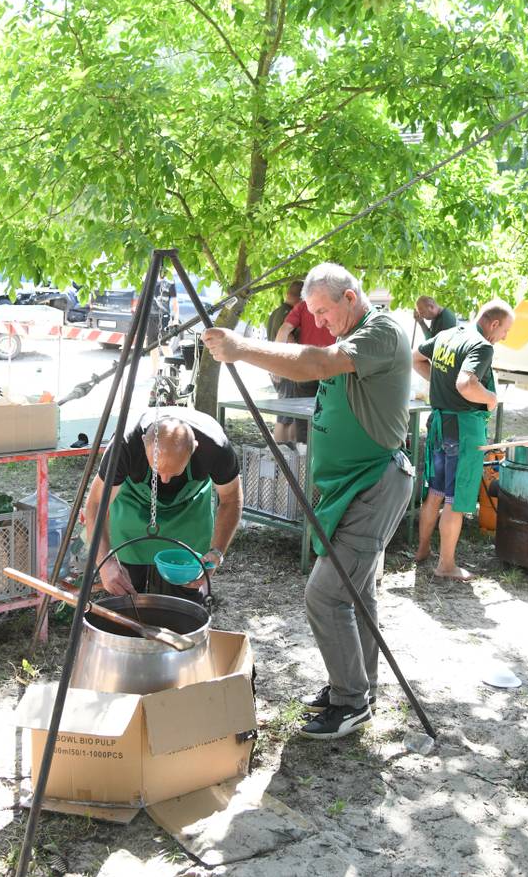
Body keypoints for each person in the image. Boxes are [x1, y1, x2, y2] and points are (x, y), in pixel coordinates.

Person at [203, 263, 414, 740]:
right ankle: (359, 688)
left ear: (350, 299)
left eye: (324, 311)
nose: (319, 321)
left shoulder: (380, 331)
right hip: (348, 488)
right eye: (312, 312)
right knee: (356, 592)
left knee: (326, 593)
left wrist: (242, 349)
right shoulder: (352, 330)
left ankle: (350, 701)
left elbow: (316, 364)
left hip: (374, 484)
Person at [84, 408, 243, 604]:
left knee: (186, 593)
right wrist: (105, 563)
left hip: (188, 511)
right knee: (126, 590)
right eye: (157, 471)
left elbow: (231, 500)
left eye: (174, 473)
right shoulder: (124, 447)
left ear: (194, 448)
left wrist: (217, 552)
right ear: (144, 443)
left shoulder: (216, 448)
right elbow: (96, 503)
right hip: (133, 506)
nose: (165, 481)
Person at [413, 300, 514, 580]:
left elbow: (416, 358)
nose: (505, 336)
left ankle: (422, 551)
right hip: (463, 431)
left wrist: (438, 383)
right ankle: (446, 565)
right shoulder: (482, 346)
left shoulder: (447, 334)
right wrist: (491, 398)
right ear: (493, 324)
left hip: (439, 427)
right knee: (455, 501)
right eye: (505, 329)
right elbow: (466, 383)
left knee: (434, 492)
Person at [275, 295, 335, 442]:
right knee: (330, 416)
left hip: (307, 369)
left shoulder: (303, 306)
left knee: (304, 420)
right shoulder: (336, 304)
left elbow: (284, 331)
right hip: (333, 369)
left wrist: (277, 365)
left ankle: (304, 455)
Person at [266, 280, 303, 444]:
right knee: (286, 415)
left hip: (276, 367)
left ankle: (287, 451)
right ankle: (283, 452)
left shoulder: (276, 312)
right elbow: (287, 339)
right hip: (285, 368)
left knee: (287, 413)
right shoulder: (289, 313)